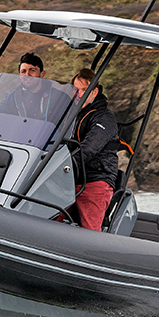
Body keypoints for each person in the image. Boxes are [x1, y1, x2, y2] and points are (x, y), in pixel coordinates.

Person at [70, 68, 119, 231]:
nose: (79, 94)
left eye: (84, 90)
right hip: (70, 179)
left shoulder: (104, 117)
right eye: (76, 89)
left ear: (94, 92)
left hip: (96, 179)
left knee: (89, 230)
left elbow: (89, 148)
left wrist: (66, 164)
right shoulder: (72, 114)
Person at [0, 53, 71, 122]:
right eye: (23, 71)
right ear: (19, 75)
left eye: (32, 70)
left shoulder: (60, 98)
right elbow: (0, 121)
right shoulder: (10, 99)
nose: (27, 75)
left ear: (42, 74)